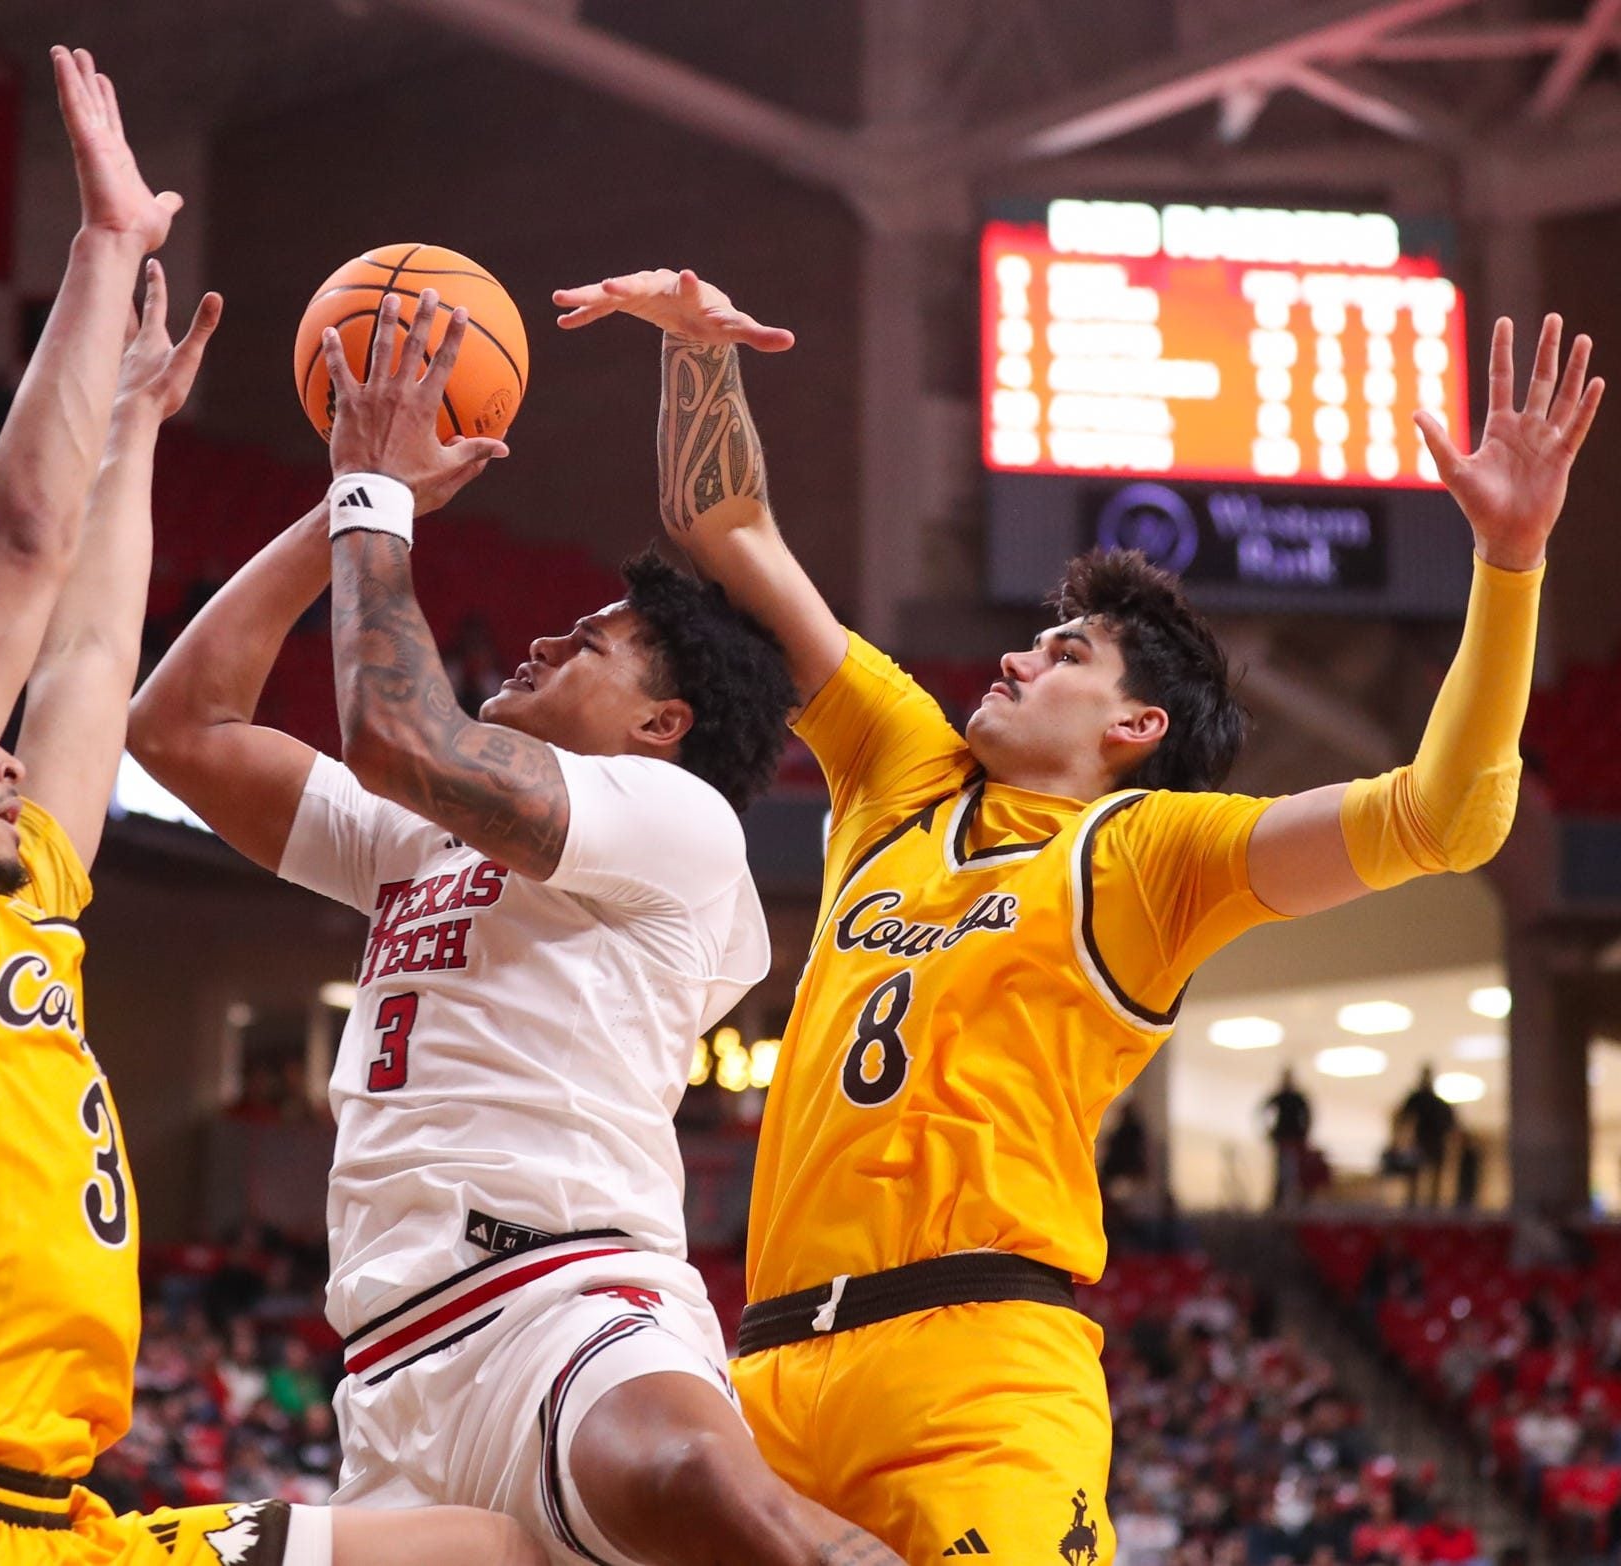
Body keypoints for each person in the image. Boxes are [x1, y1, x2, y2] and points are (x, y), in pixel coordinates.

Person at [554, 265, 1602, 1560]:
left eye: (1064, 652)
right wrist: (697, 350)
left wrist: (1508, 561)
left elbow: (1451, 816)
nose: (1016, 654)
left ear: (1134, 725)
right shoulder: (902, 771)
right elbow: (729, 530)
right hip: (764, 1362)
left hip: (980, 1368)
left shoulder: (1153, 853)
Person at [0, 50, 535, 1566]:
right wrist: (103, 254)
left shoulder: (13, 891)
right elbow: (15, 554)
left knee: (494, 1552)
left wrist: (166, 438)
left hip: (64, 1516)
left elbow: (97, 657)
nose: (13, 755)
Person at [128, 289, 902, 1566]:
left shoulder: (674, 821)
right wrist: (340, 507)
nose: (547, 634)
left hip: (568, 1305)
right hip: (390, 1378)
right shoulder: (413, 840)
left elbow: (397, 737)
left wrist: (380, 500)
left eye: (593, 644)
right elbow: (180, 733)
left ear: (664, 726)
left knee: (710, 1492)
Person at [1392, 1065, 1458, 1207]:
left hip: (1432, 1143)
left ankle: (1430, 1206)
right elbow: (1402, 1118)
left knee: (1431, 1179)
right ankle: (1414, 1205)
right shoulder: (1418, 1099)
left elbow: (1451, 1125)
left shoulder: (1436, 1102)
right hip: (1421, 1143)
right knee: (1415, 1177)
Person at [1263, 1068, 1314, 1211]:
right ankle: (1279, 1202)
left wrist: (1304, 1134)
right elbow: (1264, 1111)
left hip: (1295, 1140)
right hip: (1283, 1139)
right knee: (1281, 1172)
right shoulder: (1280, 1097)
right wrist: (1270, 1132)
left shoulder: (1297, 1097)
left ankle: (1296, 1202)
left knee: (1295, 1172)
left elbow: (1307, 1116)